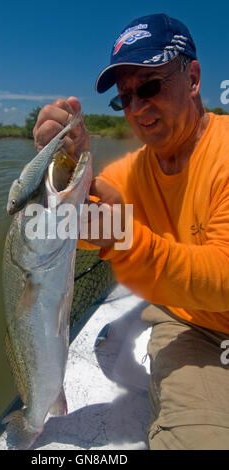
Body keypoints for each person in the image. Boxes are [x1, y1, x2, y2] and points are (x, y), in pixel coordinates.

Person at [33, 13, 229, 450]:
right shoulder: (131, 172)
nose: (138, 107)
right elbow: (75, 227)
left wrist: (122, 237)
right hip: (194, 331)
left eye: (151, 86)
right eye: (126, 98)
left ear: (193, 77)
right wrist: (67, 171)